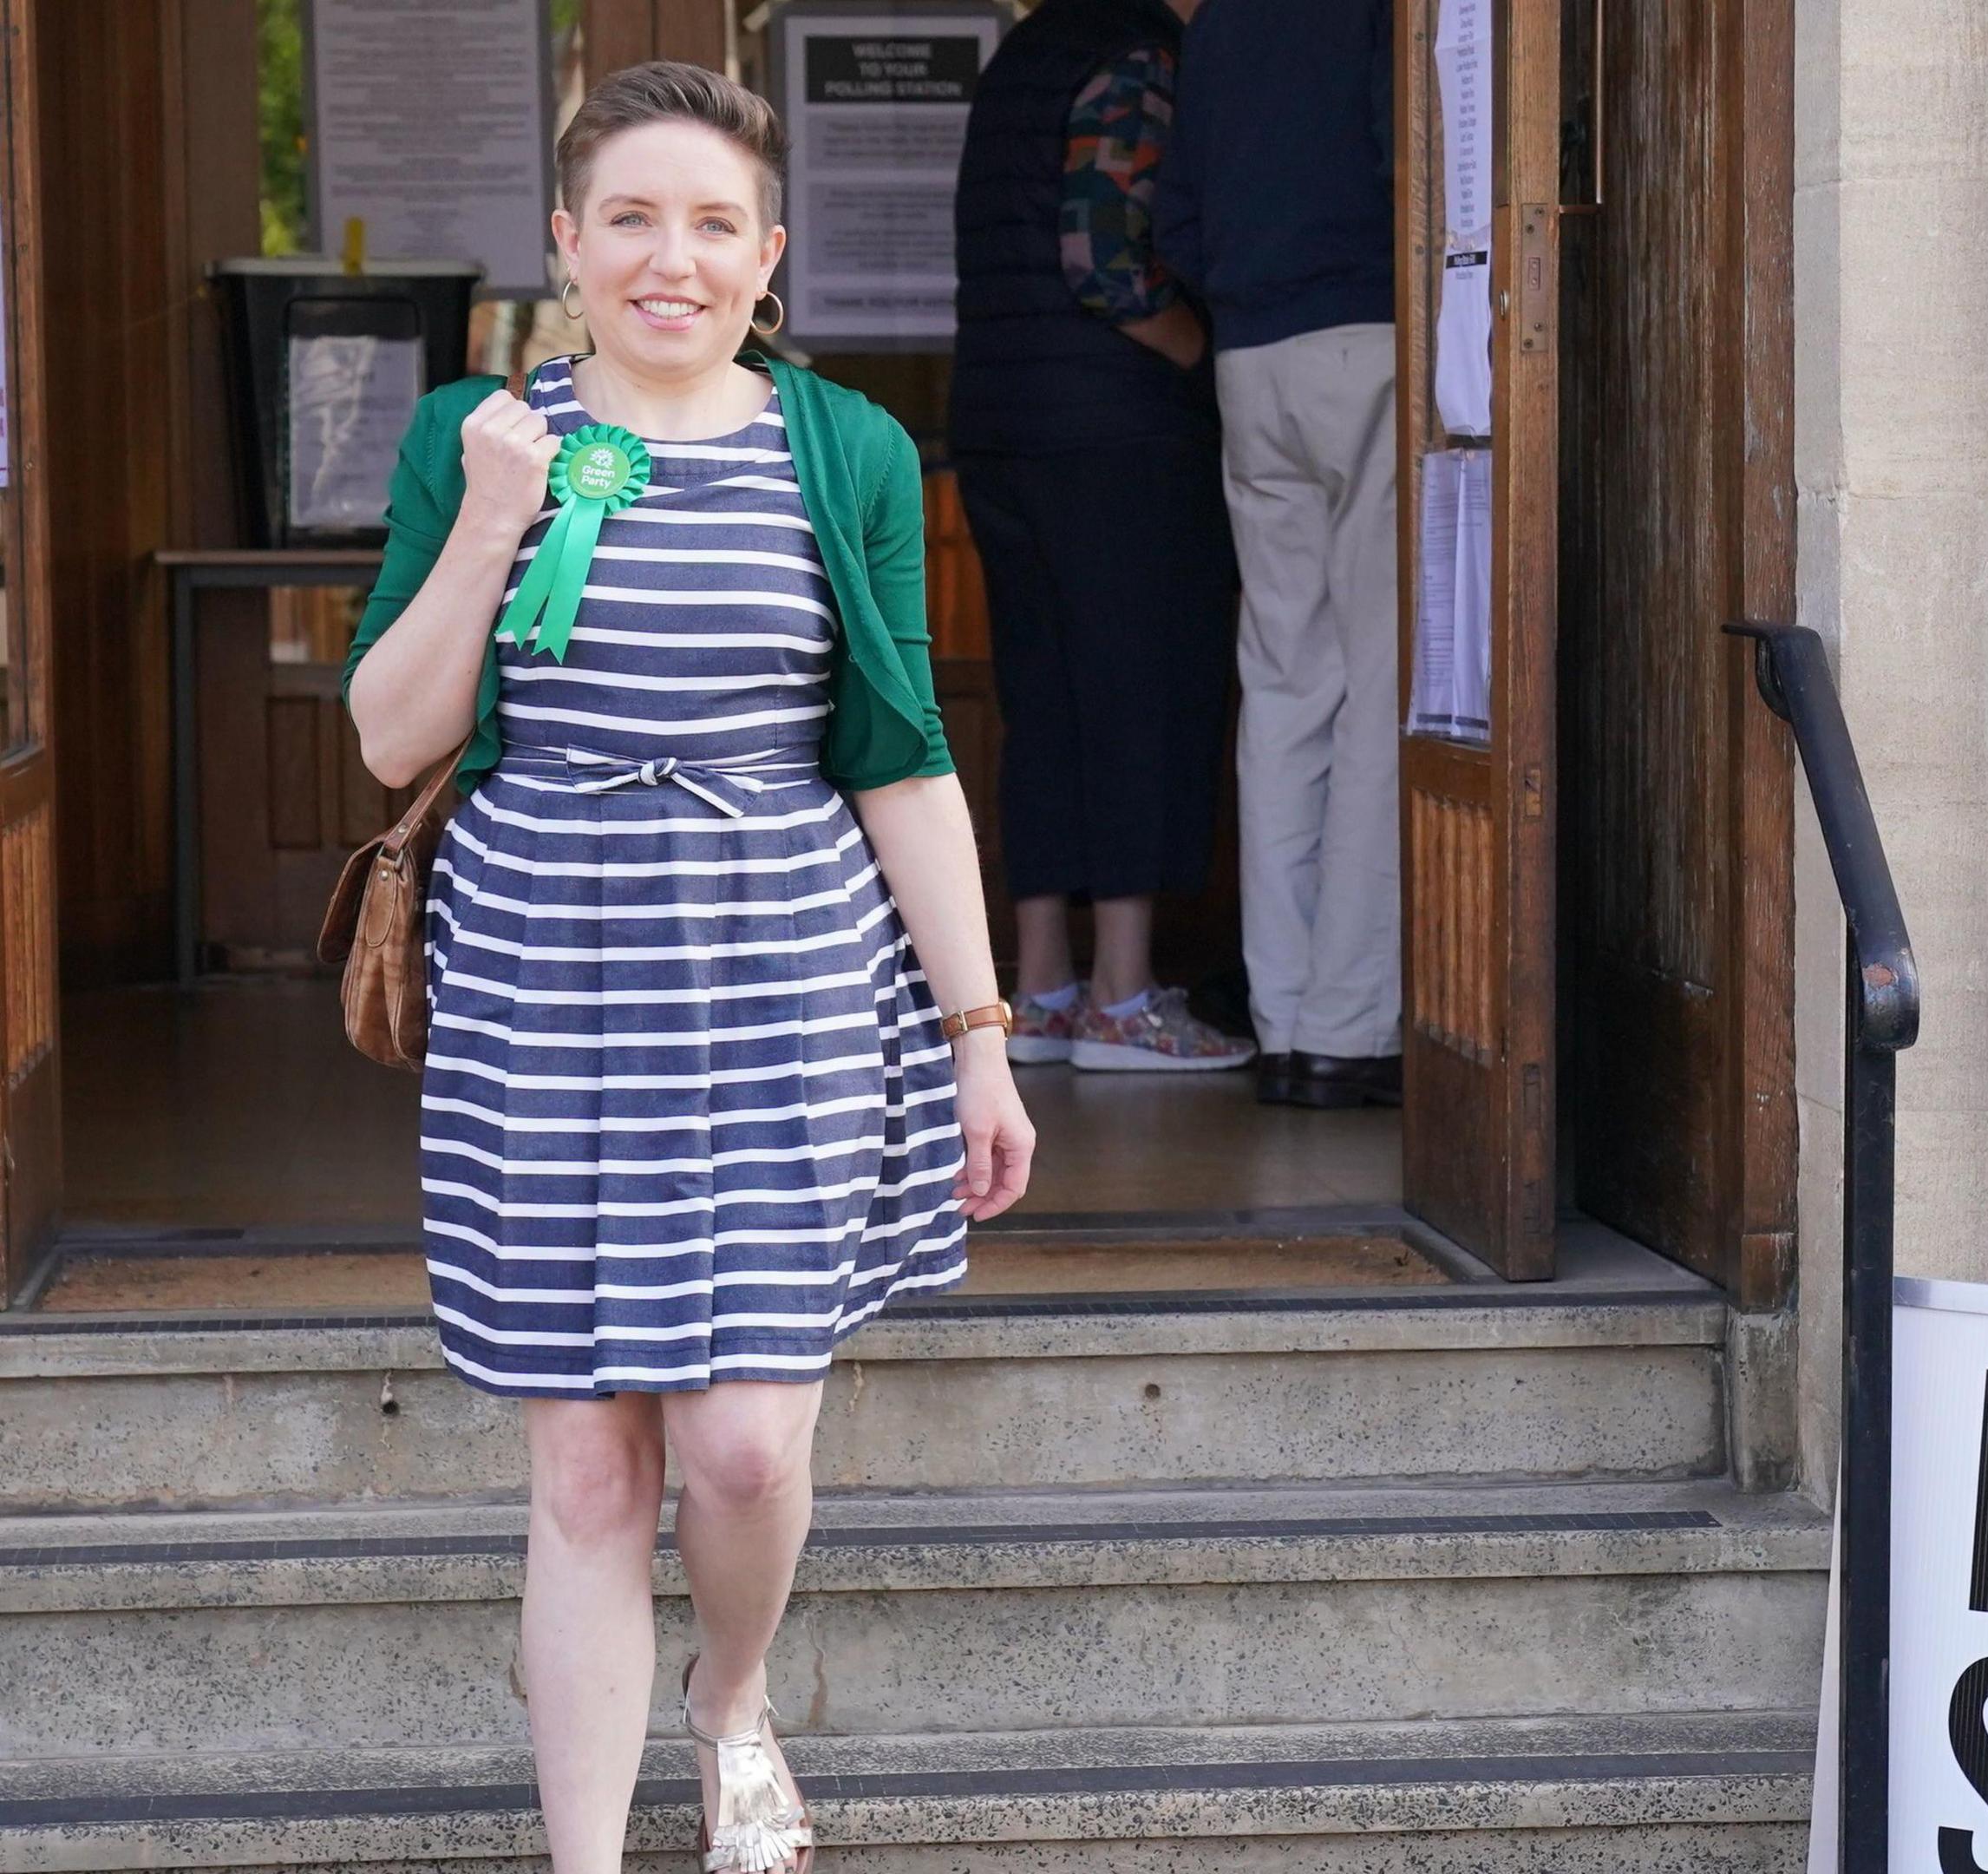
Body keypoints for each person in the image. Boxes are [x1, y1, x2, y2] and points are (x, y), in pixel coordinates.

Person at [342, 62, 1034, 1874]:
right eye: (630, 219)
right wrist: (497, 514)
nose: (673, 258)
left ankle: (731, 1699)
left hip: (782, 989)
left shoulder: (848, 449)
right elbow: (388, 736)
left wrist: (979, 1036)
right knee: (585, 1470)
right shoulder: (466, 440)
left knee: (737, 1450)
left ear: (769, 253)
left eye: (714, 223)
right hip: (543, 991)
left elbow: (897, 752)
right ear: (567, 243)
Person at [952, 0, 1256, 1073]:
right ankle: (1124, 998)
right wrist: (1208, 362)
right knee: (1136, 692)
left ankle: (1040, 990)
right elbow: (1109, 264)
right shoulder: (1137, 53)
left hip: (997, 422)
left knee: (1043, 699)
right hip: (1115, 432)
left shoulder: (1026, 51)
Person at [1156, 0, 1404, 1110]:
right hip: (1371, 333)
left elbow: (1176, 224)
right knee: (1381, 679)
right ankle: (1350, 1029)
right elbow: (1418, 165)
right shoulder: (1377, 13)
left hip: (1251, 358)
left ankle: (1285, 1014)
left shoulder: (1219, 26)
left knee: (1286, 682)